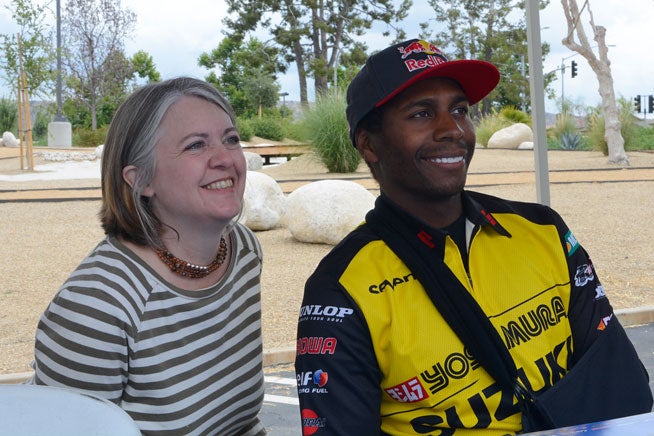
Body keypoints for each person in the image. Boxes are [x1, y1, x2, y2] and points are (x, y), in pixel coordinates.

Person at [295, 39, 652, 435]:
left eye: (460, 110)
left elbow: (618, 382)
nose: (453, 130)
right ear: (368, 143)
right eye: (421, 113)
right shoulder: (340, 289)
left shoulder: (543, 229)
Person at [30, 77, 266, 435]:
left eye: (230, 139)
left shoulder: (244, 252)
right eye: (196, 146)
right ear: (141, 180)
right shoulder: (96, 307)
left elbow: (242, 424)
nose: (225, 159)